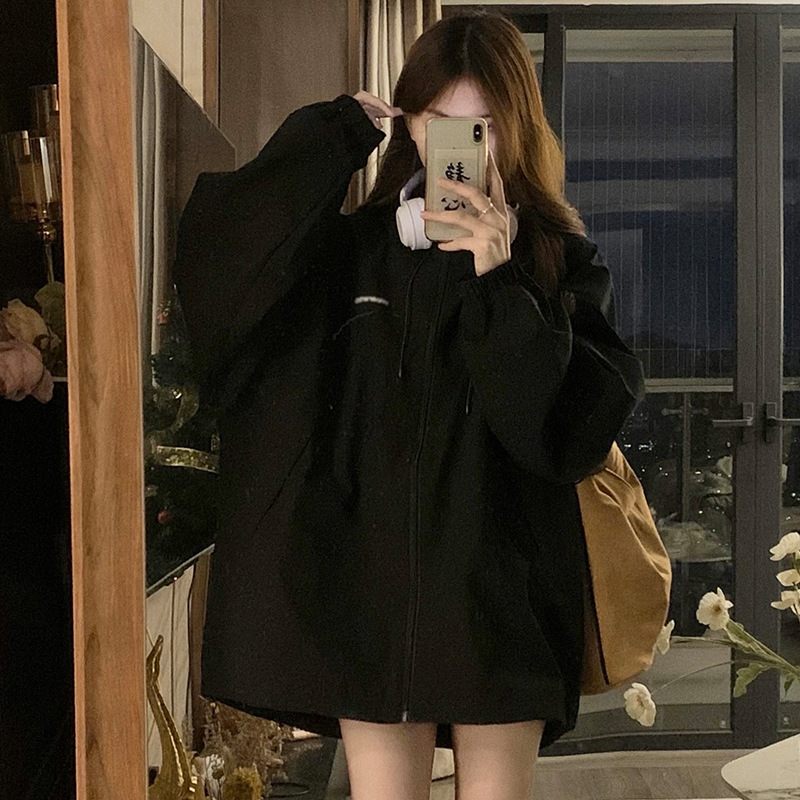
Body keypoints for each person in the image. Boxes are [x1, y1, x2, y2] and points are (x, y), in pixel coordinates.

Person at [174, 10, 645, 800]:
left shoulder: (561, 264)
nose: (460, 145)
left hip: (502, 608)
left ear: (517, 129)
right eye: (438, 121)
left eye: (483, 125)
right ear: (411, 127)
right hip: (368, 604)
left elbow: (561, 434)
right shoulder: (352, 254)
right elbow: (224, 266)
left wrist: (500, 280)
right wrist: (332, 137)